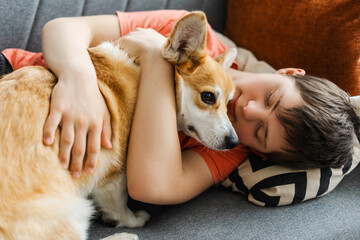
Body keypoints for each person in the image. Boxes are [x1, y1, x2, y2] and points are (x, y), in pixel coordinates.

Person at [1, 10, 358, 204]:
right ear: (288, 72)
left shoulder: (225, 148)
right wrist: (77, 81)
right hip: (20, 77)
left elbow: (151, 186)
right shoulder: (193, 36)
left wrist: (157, 59)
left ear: (260, 153)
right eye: (271, 98)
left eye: (261, 133)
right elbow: (65, 27)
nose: (248, 112)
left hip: (35, 161)